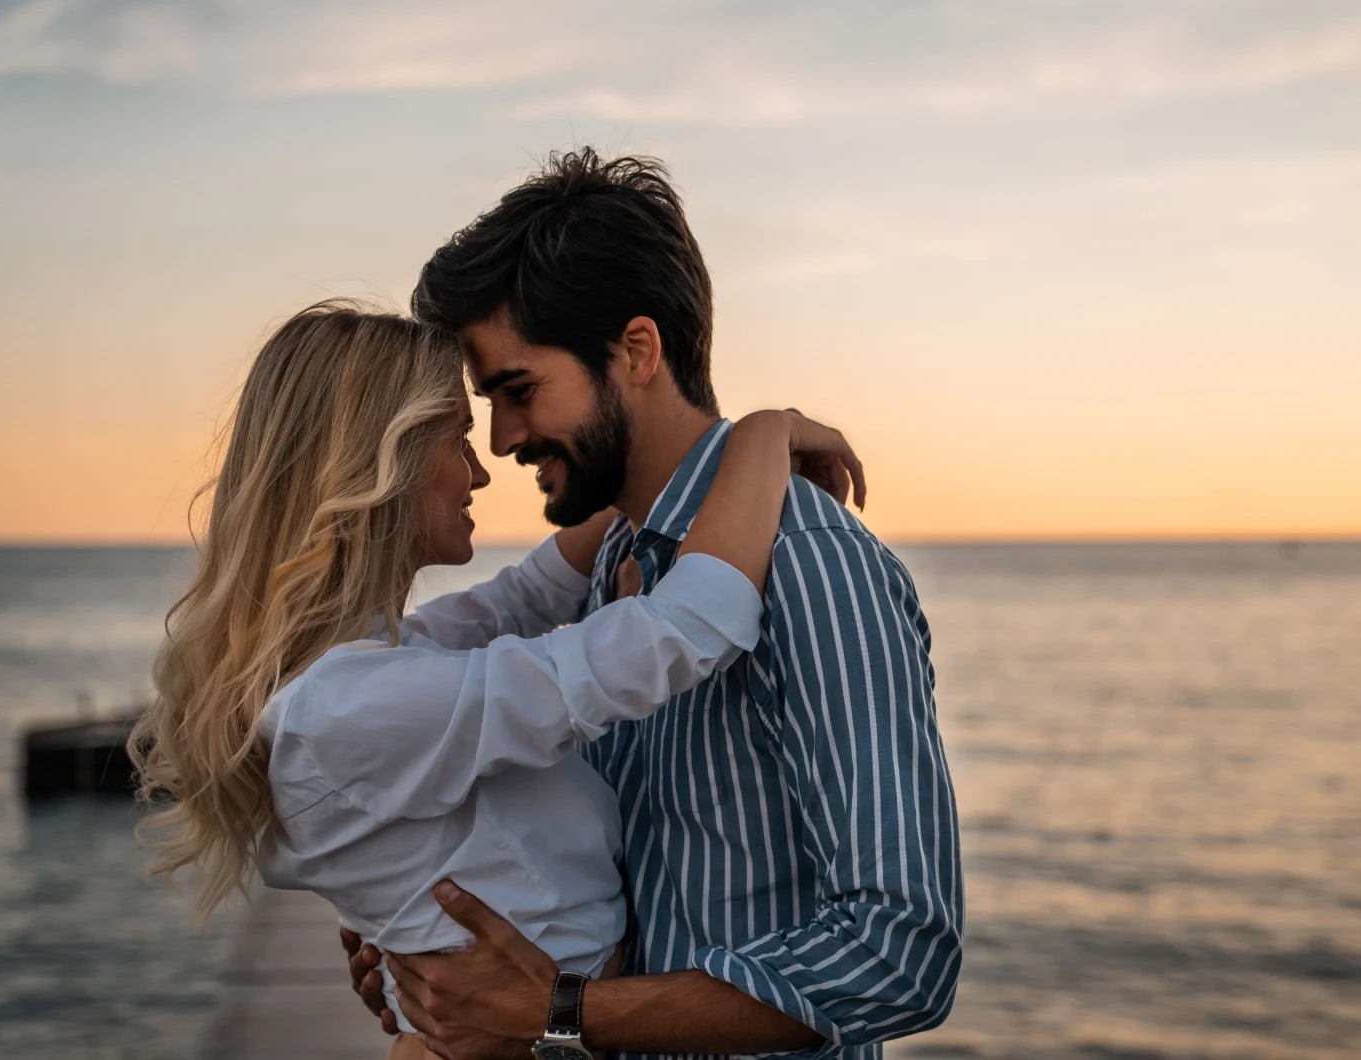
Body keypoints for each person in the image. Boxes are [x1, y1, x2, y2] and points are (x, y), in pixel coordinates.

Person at [344, 150, 963, 1060]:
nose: (504, 438)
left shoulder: (813, 565)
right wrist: (441, 963)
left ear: (636, 351)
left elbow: (901, 951)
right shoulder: (618, 560)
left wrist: (558, 1010)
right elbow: (631, 880)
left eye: (519, 391)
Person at [126, 301, 865, 1059]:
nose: (482, 469)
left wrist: (665, 464)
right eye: (458, 436)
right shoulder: (354, 707)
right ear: (381, 460)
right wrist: (761, 437)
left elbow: (526, 595)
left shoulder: (361, 673)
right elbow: (684, 630)